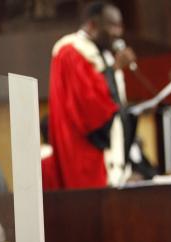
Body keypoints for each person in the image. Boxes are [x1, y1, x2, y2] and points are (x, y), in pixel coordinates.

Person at [44, 0, 136, 189]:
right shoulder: (71, 51)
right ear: (93, 25)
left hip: (104, 156)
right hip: (83, 156)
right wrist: (115, 68)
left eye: (120, 26)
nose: (118, 33)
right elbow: (92, 109)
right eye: (112, 25)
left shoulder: (103, 55)